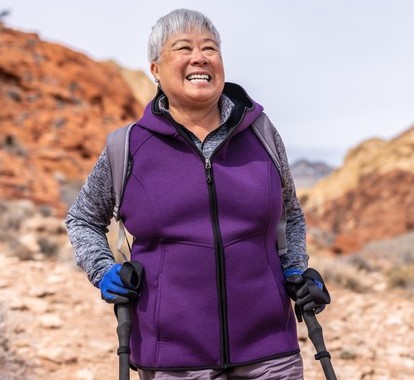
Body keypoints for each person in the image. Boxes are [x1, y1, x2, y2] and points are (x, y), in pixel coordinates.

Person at [66, 8, 330, 379]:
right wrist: (102, 269)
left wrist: (297, 268)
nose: (200, 57)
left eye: (210, 48)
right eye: (183, 48)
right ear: (156, 69)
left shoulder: (262, 133)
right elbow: (83, 219)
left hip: (269, 351)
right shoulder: (128, 146)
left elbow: (290, 214)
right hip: (172, 358)